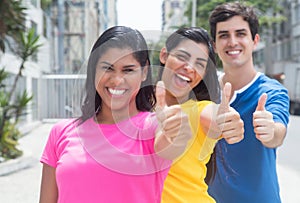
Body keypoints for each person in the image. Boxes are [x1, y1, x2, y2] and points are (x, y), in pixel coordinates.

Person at [39, 26, 192, 203]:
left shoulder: (155, 128)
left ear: (144, 72)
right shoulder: (60, 132)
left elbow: (170, 144)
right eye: (107, 68)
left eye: (128, 70)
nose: (117, 80)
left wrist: (178, 136)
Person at [207, 2, 290, 203]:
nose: (232, 42)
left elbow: (277, 133)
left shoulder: (271, 91)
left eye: (241, 34)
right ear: (214, 44)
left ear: (255, 41)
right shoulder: (205, 93)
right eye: (224, 35)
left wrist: (270, 131)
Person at [157, 27, 244, 202]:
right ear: (164, 55)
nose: (189, 67)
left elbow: (216, 117)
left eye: (200, 64)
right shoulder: (137, 108)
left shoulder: (199, 111)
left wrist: (227, 121)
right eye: (182, 57)